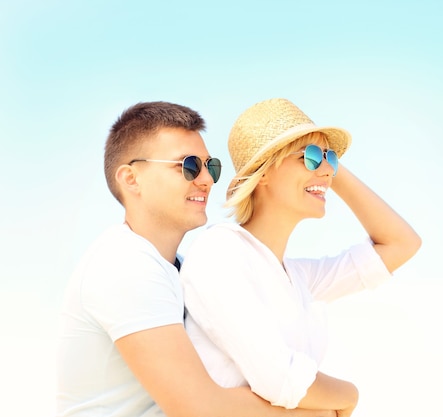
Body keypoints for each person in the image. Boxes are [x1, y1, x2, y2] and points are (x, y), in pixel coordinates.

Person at [56, 101, 336, 417]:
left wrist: (322, 163)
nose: (206, 180)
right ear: (131, 179)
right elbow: (200, 407)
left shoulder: (177, 269)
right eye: (188, 165)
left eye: (210, 166)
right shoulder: (125, 266)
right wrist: (328, 409)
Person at [180, 98, 422, 417]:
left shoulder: (298, 278)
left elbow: (401, 244)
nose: (325, 169)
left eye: (329, 158)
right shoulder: (221, 252)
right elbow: (281, 380)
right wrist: (349, 396)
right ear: (263, 173)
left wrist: (325, 167)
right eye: (308, 157)